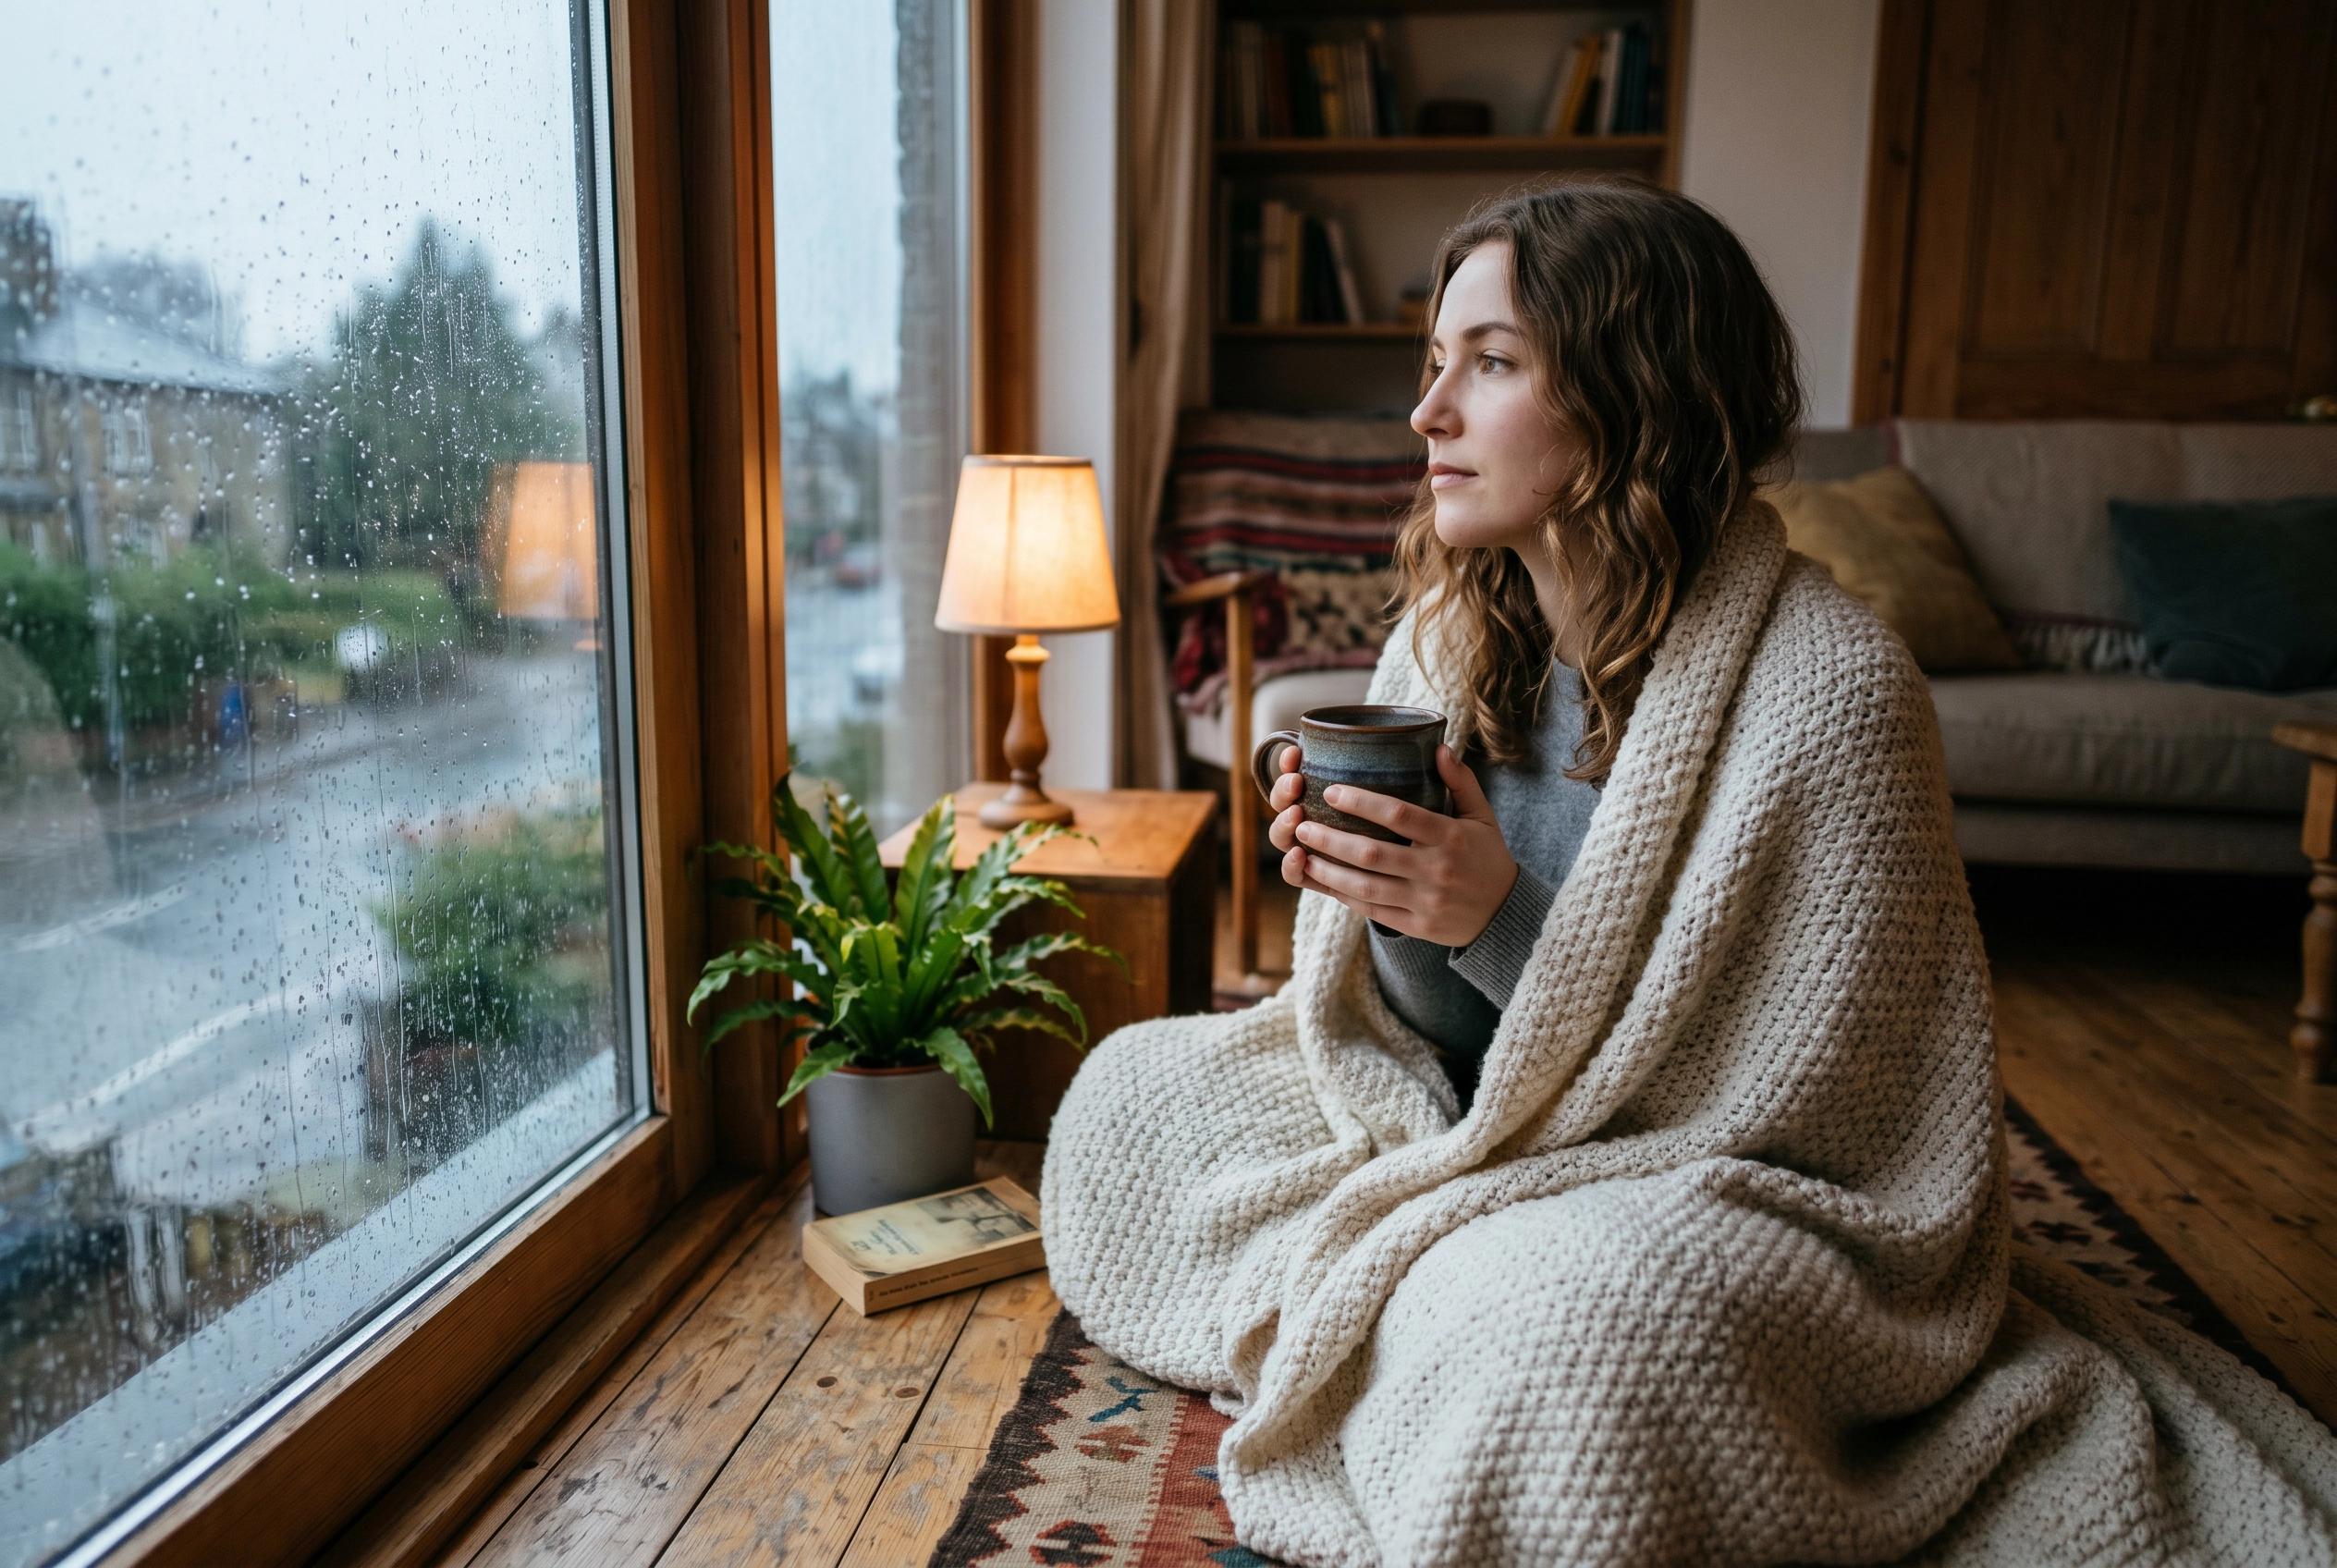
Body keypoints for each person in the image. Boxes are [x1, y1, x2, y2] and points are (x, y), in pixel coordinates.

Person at [1042, 181, 2337, 1566]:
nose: (1427, 415)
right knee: (1130, 1095)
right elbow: (1426, 1050)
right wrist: (1383, 905)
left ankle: (1445, 1344)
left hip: (1707, 1177)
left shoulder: (1831, 686)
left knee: (1576, 1346)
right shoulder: (1442, 639)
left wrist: (1490, 913)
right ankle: (1429, 1335)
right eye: (1435, 365)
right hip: (1470, 1128)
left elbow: (1825, 1120)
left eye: (1489, 364)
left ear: (1630, 395)